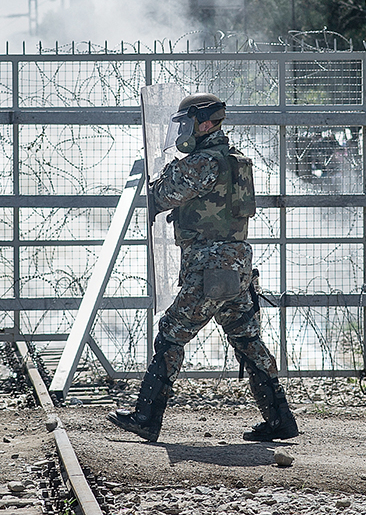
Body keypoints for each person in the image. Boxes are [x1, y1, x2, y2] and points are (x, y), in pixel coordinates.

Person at [107, 93, 299, 443]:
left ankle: (146, 417)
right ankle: (280, 421)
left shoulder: (202, 162)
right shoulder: (233, 160)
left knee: (171, 333)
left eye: (187, 123)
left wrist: (159, 176)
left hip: (211, 270)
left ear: (206, 124)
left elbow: (162, 196)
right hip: (236, 268)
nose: (182, 131)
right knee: (247, 339)